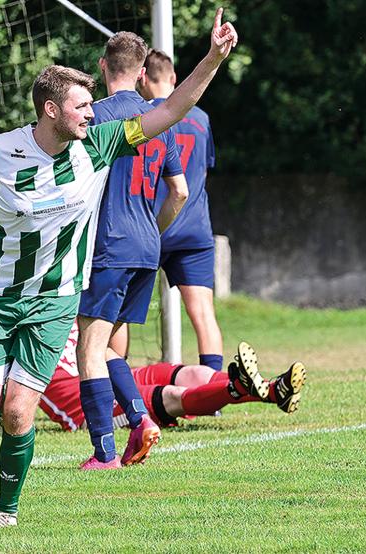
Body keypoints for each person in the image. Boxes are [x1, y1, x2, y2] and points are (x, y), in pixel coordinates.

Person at [0, 9, 238, 529]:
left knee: (16, 413)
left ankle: (5, 511)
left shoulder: (98, 143)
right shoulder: (2, 151)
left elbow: (172, 108)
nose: (90, 114)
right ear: (51, 110)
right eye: (81, 106)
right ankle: (9, 377)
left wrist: (213, 57)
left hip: (53, 303)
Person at [74, 31, 189, 472]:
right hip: (147, 247)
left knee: (89, 347)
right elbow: (178, 191)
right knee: (108, 350)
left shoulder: (90, 118)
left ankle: (104, 453)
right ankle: (140, 420)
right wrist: (152, 232)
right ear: (143, 74)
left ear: (102, 66)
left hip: (108, 246)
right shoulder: (160, 119)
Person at [41, 322, 305, 433]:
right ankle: (237, 387)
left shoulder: (66, 290)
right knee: (170, 396)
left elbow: (114, 347)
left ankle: (273, 391)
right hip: (87, 405)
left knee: (194, 373)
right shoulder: (15, 319)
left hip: (110, 371)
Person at [137, 49, 225, 372]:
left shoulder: (141, 120)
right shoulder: (201, 119)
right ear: (175, 79)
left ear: (141, 78)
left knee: (117, 317)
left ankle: (116, 392)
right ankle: (215, 394)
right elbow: (203, 169)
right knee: (203, 314)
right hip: (195, 229)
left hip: (151, 227)